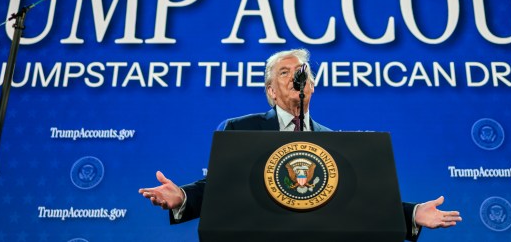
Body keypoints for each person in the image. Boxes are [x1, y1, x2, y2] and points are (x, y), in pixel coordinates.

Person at [139, 48, 461, 241]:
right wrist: (182, 196)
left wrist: (413, 214)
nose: (296, 76)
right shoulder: (240, 128)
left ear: (312, 85)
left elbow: (359, 203)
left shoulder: (334, 143)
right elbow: (219, 188)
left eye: (301, 72)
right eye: (285, 72)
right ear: (270, 91)